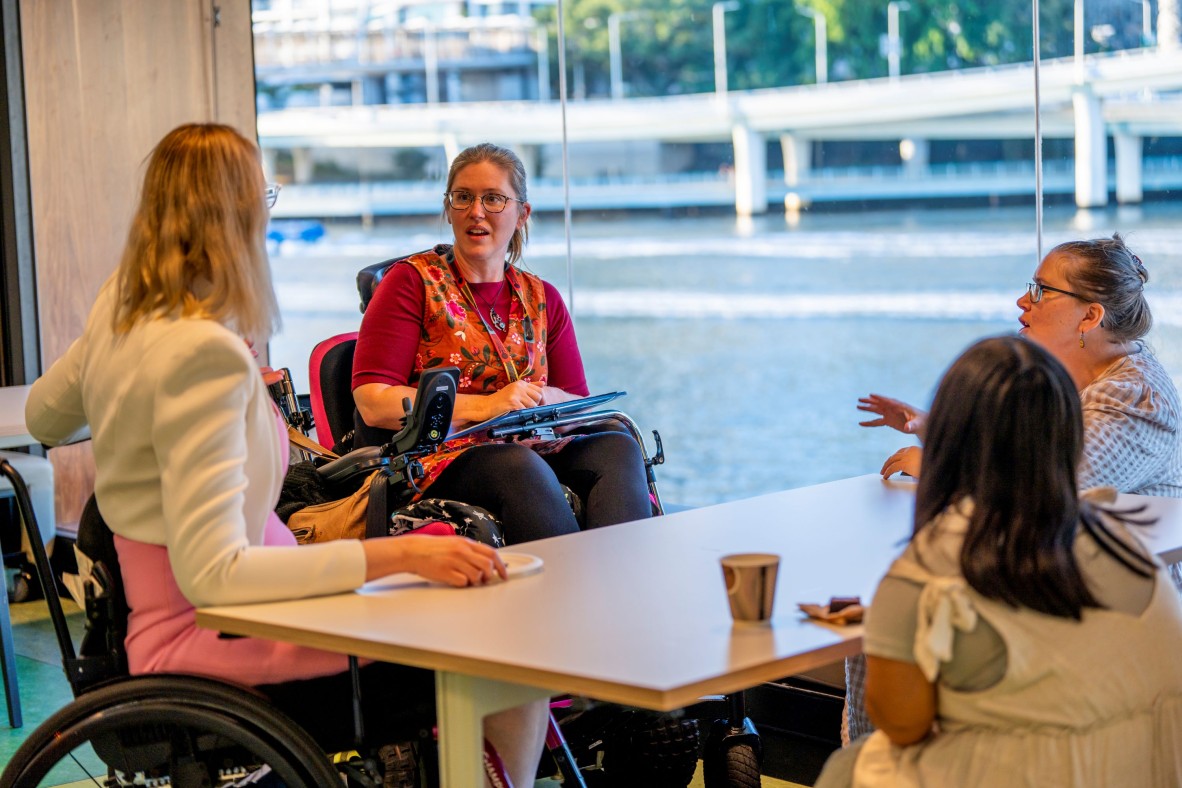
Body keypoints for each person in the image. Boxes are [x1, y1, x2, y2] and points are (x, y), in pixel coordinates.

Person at [24, 123, 547, 787]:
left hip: (184, 612)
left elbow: (46, 415)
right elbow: (218, 575)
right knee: (508, 640)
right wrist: (405, 553)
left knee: (470, 612)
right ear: (238, 215)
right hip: (214, 632)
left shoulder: (122, 306)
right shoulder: (200, 353)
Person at [816, 336, 1182, 787]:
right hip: (1142, 770)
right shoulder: (1131, 552)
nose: (1024, 301)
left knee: (857, 767)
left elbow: (898, 724)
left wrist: (890, 628)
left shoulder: (928, 568)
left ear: (950, 440)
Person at [352, 142, 652, 543]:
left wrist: (545, 398)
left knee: (618, 449)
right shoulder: (410, 283)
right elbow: (373, 401)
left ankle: (623, 589)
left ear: (522, 213)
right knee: (516, 465)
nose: (476, 212)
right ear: (448, 208)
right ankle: (569, 596)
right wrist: (488, 407)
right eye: (463, 198)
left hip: (530, 448)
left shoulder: (542, 296)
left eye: (493, 199)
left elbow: (576, 403)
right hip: (435, 461)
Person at [858, 233, 1182, 498]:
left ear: (1089, 316)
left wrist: (938, 470)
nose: (1023, 301)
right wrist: (933, 428)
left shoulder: (1137, 400)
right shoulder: (1076, 373)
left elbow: (1050, 492)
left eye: (1041, 290)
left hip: (1123, 575)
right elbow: (1016, 458)